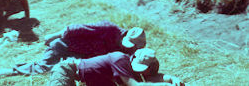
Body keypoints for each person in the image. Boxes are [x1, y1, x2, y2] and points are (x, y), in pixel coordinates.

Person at [0, 21, 146, 78]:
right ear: (125, 34)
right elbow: (77, 28)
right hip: (64, 46)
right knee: (43, 68)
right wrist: (54, 35)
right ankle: (8, 72)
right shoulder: (109, 29)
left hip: (79, 57)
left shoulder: (129, 49)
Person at [48, 48, 185, 86]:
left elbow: (152, 78)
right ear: (133, 58)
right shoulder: (120, 59)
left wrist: (171, 78)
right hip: (66, 70)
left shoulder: (131, 69)